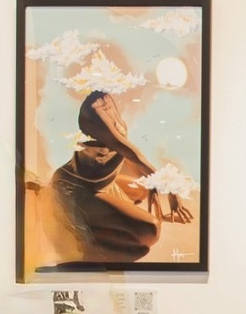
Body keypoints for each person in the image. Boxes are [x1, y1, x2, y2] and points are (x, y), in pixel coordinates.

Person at [47, 91, 192, 266]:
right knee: (152, 230)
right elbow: (130, 152)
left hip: (103, 185)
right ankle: (94, 242)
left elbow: (125, 153)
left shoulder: (105, 98)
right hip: (76, 189)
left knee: (141, 190)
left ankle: (110, 221)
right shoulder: (93, 110)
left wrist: (152, 183)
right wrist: (170, 188)